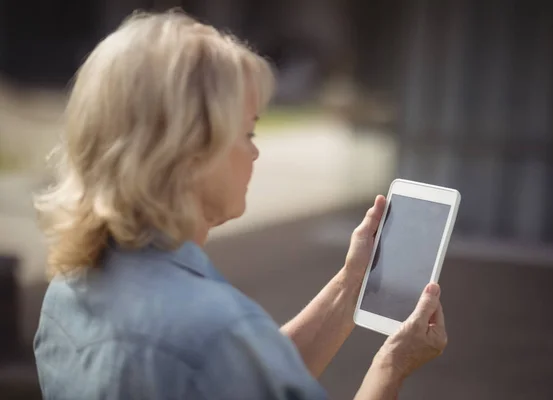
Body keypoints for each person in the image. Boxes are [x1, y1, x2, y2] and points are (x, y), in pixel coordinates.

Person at [33, 10, 447, 400]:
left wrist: (350, 284)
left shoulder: (69, 288)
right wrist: (392, 364)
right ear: (191, 151)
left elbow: (241, 379)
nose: (255, 153)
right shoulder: (218, 331)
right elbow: (224, 357)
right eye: (248, 132)